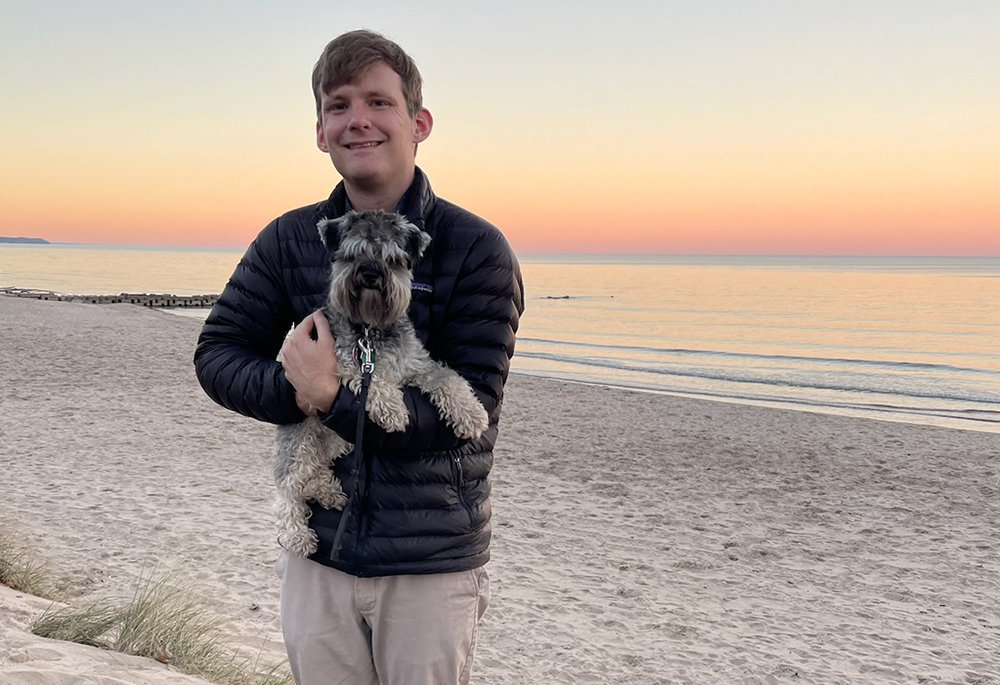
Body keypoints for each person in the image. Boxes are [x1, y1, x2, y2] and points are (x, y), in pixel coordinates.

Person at [193, 29, 524, 685]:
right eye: (339, 105)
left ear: (419, 122)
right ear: (320, 130)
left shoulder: (475, 249)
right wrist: (293, 388)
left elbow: (470, 411)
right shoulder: (290, 238)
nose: (358, 120)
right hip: (317, 550)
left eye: (378, 101)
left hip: (428, 562)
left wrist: (331, 398)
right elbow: (218, 353)